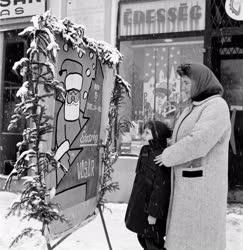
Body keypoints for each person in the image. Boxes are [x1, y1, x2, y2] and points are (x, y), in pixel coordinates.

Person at [154, 63, 231, 250]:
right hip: (188, 189)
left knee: (199, 241)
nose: (184, 87)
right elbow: (183, 137)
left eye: (187, 83)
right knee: (185, 240)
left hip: (202, 192)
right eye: (183, 83)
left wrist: (168, 155)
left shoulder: (216, 106)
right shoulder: (194, 106)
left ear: (201, 83)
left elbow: (199, 141)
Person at [125, 120, 172, 250]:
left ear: (157, 136)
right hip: (142, 206)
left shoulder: (159, 156)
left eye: (147, 133)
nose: (143, 136)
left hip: (152, 211)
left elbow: (161, 187)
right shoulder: (146, 151)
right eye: (144, 132)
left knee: (152, 242)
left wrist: (154, 213)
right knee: (143, 238)